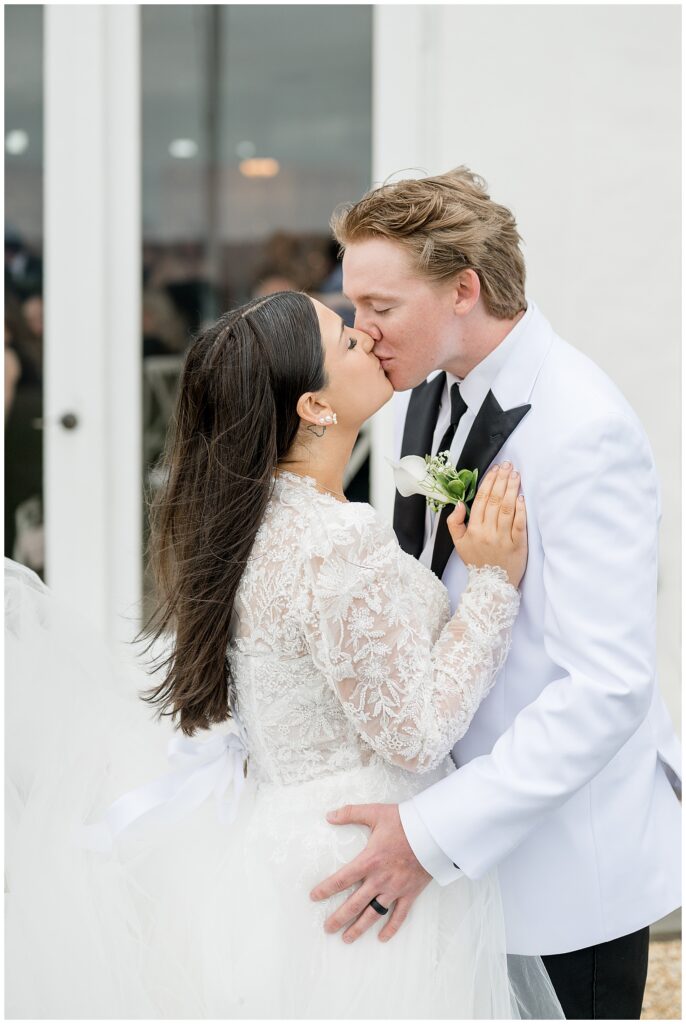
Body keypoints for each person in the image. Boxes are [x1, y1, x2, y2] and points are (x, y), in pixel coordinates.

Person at [5, 290, 563, 1018]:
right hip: (363, 863)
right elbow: (417, 731)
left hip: (280, 846)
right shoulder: (335, 543)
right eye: (348, 342)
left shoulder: (254, 523)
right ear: (315, 407)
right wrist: (493, 584)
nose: (368, 336)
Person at [308, 167, 682, 1020]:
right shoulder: (429, 387)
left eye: (380, 306)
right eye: (353, 306)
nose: (361, 334)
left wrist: (432, 834)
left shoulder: (585, 429)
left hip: (561, 878)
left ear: (464, 290)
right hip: (468, 867)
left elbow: (608, 687)